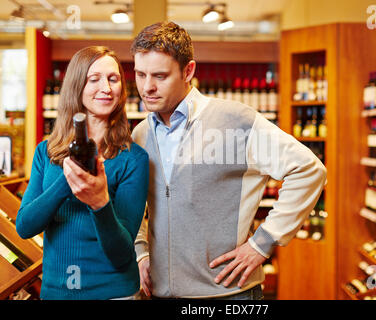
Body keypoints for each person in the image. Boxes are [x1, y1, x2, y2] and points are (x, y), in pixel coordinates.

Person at [132, 22, 327, 299]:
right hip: (162, 293)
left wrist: (262, 243)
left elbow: (308, 169)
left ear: (188, 71)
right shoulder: (140, 133)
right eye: (140, 74)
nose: (147, 87)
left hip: (229, 294)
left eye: (160, 76)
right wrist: (141, 252)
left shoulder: (235, 121)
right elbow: (132, 201)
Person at [15, 46, 149, 300]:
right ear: (77, 85)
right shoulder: (46, 152)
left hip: (114, 294)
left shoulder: (133, 159)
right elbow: (25, 226)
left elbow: (121, 252)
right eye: (94, 79)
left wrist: (100, 203)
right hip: (56, 291)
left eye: (113, 79)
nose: (106, 88)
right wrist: (69, 180)